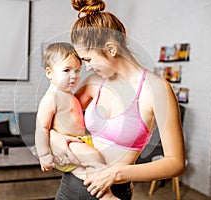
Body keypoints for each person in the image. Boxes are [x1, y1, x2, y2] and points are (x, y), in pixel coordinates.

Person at [49, 0, 186, 199]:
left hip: (112, 192)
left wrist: (116, 173)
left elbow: (176, 163)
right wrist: (57, 139)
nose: (87, 68)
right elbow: (55, 119)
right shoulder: (95, 82)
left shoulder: (156, 90)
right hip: (69, 186)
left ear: (111, 49)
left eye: (87, 59)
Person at [35, 42, 118, 200]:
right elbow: (41, 128)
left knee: (91, 164)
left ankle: (108, 184)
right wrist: (44, 155)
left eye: (77, 70)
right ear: (49, 73)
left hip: (79, 141)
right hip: (69, 145)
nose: (74, 76)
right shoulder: (51, 98)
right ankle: (107, 195)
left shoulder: (67, 93)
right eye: (66, 70)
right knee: (94, 158)